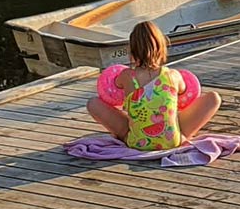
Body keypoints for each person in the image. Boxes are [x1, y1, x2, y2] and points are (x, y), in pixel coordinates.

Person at [87, 21, 221, 150]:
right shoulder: (174, 76)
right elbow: (184, 93)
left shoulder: (126, 76)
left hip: (137, 143)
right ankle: (180, 136)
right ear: (161, 46)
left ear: (132, 50)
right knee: (214, 98)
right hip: (172, 141)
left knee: (93, 103)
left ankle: (133, 134)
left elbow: (113, 88)